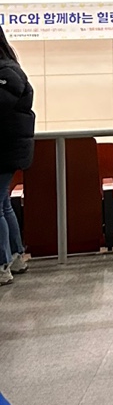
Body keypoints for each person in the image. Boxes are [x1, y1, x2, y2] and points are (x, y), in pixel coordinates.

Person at [0, 29, 35, 285]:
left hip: (4, 150)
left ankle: (2, 264)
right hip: (7, 150)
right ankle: (15, 256)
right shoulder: (9, 69)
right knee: (3, 205)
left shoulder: (7, 72)